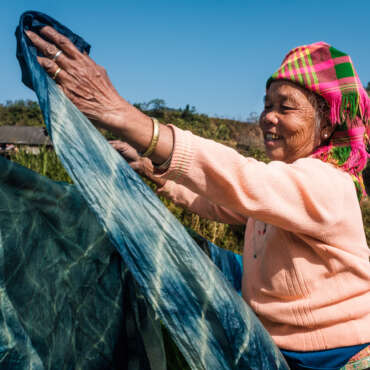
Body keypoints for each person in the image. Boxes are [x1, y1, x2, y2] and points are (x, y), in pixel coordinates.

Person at [26, 26, 370, 369]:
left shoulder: (328, 184)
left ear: (326, 125)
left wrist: (125, 117)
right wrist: (153, 166)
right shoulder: (286, 186)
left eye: (286, 108)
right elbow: (227, 201)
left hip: (336, 358)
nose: (268, 117)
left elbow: (242, 178)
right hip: (278, 347)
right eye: (267, 104)